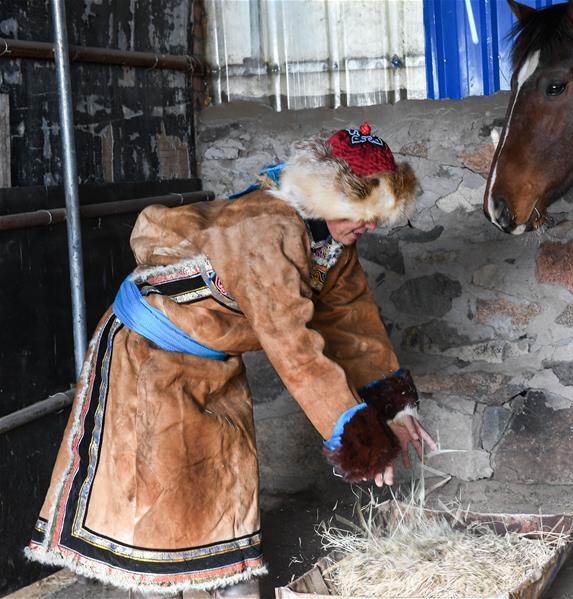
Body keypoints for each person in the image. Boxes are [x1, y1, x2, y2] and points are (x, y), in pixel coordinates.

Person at [25, 123, 436, 597]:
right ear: (327, 197)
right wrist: (356, 435)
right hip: (149, 362)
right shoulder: (265, 227)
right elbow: (292, 344)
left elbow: (351, 319)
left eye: (377, 216)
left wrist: (392, 406)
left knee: (228, 494)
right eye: (362, 213)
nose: (370, 227)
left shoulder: (333, 244)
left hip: (217, 364)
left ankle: (231, 586)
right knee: (155, 509)